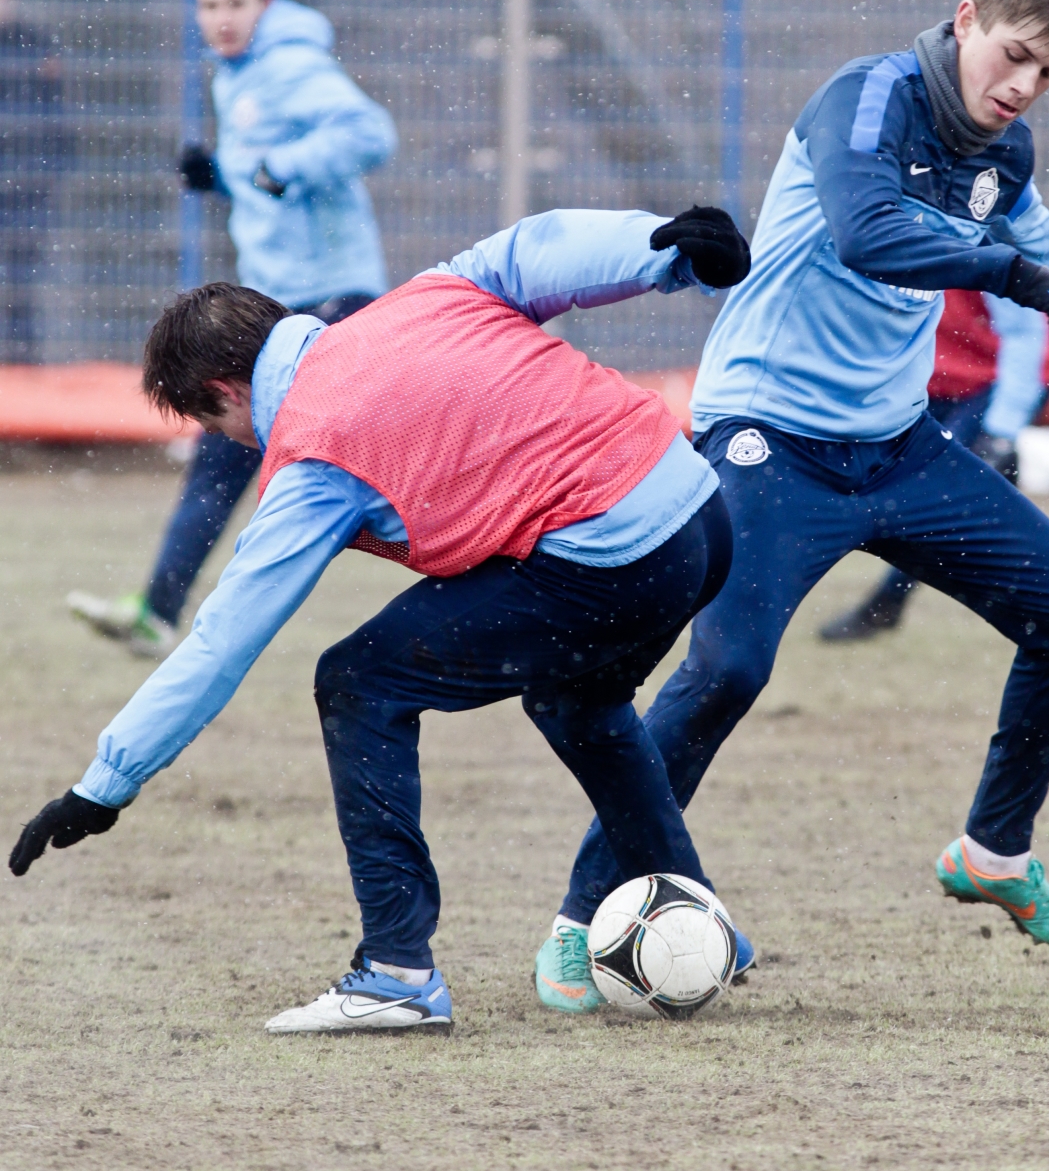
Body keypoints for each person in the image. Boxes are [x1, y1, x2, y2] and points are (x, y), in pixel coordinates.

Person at [535, 0, 1049, 1015]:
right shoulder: (866, 100)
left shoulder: (1005, 149)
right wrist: (1020, 277)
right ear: (966, 19)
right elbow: (869, 234)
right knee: (726, 671)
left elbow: (1032, 227)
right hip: (770, 441)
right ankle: (582, 917)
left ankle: (993, 851)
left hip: (898, 449)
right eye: (1014, 55)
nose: (1023, 86)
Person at [10, 206, 753, 1036]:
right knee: (580, 703)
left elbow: (222, 642)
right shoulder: (423, 296)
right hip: (701, 513)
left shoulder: (314, 450)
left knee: (358, 682)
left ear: (225, 391)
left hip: (618, 557)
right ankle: (698, 923)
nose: (237, 442)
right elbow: (527, 253)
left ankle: (396, 973)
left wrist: (105, 784)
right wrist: (662, 250)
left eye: (217, 425)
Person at [68, 0, 396, 658]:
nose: (223, 18)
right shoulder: (238, 75)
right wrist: (222, 176)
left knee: (304, 458)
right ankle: (159, 610)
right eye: (211, 6)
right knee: (223, 449)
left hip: (331, 298)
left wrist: (282, 169)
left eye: (236, 4)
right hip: (279, 303)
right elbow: (266, 176)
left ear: (264, 7)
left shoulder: (292, 65)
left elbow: (369, 134)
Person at [820, 288, 1049, 640]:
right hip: (936, 383)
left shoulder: (982, 252)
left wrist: (1000, 433)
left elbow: (1024, 333)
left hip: (994, 381)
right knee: (943, 500)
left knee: (934, 497)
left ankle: (889, 601)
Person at [0, 0, 73, 360]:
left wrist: (51, 169)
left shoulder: (34, 44)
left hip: (27, 183)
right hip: (24, 174)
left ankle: (21, 357)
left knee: (22, 279)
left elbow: (55, 115)